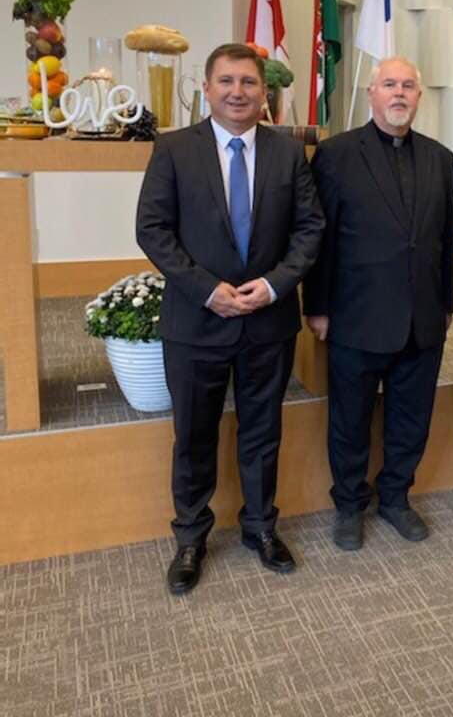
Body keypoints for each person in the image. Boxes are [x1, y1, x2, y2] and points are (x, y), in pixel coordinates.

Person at [136, 43, 324, 594]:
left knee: (263, 432)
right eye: (226, 81)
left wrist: (274, 284)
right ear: (207, 88)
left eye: (248, 82)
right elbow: (152, 229)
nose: (237, 92)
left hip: (268, 321)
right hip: (196, 323)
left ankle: (261, 527)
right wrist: (206, 290)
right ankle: (190, 537)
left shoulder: (288, 153)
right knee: (194, 435)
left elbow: (310, 228)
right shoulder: (174, 149)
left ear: (264, 91)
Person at [304, 57, 453, 551]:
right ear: (371, 94)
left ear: (419, 96)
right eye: (389, 84)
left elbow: (442, 240)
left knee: (411, 419)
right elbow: (320, 238)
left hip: (422, 318)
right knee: (349, 419)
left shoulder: (440, 158)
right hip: (356, 315)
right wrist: (317, 307)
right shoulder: (335, 154)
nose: (399, 93)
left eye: (408, 85)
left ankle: (395, 498)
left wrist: (447, 303)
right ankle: (350, 505)